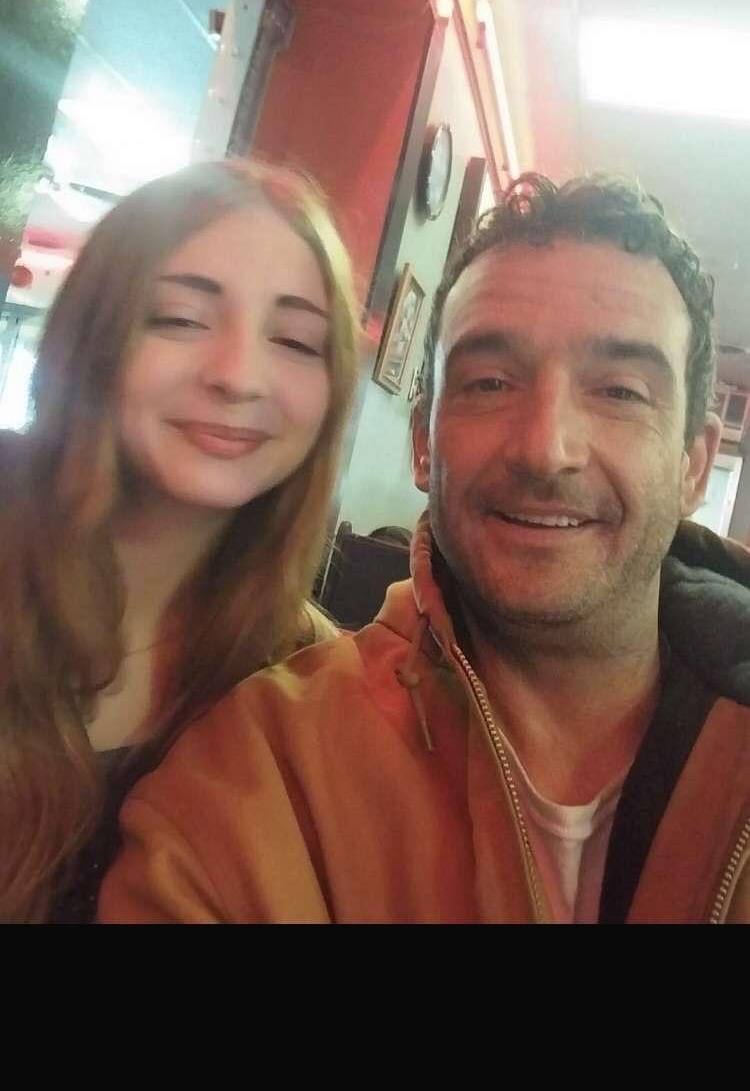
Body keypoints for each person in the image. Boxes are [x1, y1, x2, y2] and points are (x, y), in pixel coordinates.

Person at [99, 173, 750, 924]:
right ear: (422, 443)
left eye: (619, 392)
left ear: (694, 464)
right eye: (490, 382)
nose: (547, 449)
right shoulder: (261, 772)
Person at [0, 156, 359, 923]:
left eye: (296, 340)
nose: (239, 376)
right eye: (181, 319)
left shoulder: (310, 690)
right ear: (93, 335)